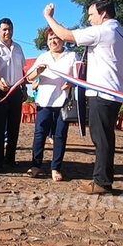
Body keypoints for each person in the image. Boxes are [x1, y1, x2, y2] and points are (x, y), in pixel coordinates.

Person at [44, 0, 123, 194]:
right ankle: (104, 179)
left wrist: (48, 17)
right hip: (115, 92)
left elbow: (66, 35)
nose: (89, 19)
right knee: (106, 137)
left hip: (102, 92)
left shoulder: (103, 31)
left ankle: (101, 182)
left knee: (101, 138)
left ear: (103, 14)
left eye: (91, 15)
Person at [26, 28, 76, 182]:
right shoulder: (43, 56)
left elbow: (78, 76)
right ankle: (35, 165)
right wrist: (38, 72)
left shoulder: (72, 56)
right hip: (44, 102)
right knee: (40, 134)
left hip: (63, 101)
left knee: (60, 135)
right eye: (50, 39)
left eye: (56, 38)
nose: (53, 41)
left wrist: (70, 83)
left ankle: (56, 168)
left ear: (62, 39)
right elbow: (29, 78)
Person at [0, 18, 26, 173]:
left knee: (14, 126)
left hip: (16, 90)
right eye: (4, 29)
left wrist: (23, 88)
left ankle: (10, 159)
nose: (7, 32)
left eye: (9, 29)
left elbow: (22, 69)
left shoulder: (18, 48)